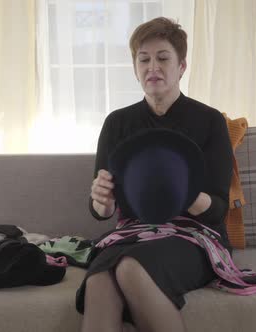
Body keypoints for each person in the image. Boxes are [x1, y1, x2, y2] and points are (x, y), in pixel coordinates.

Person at [78, 17, 233, 332]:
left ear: (181, 67)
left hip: (194, 234)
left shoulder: (210, 120)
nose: (153, 67)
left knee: (131, 268)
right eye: (144, 59)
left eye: (163, 58)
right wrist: (101, 201)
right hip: (132, 232)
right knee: (99, 281)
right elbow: (101, 211)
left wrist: (182, 193)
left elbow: (219, 208)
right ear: (135, 68)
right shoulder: (117, 123)